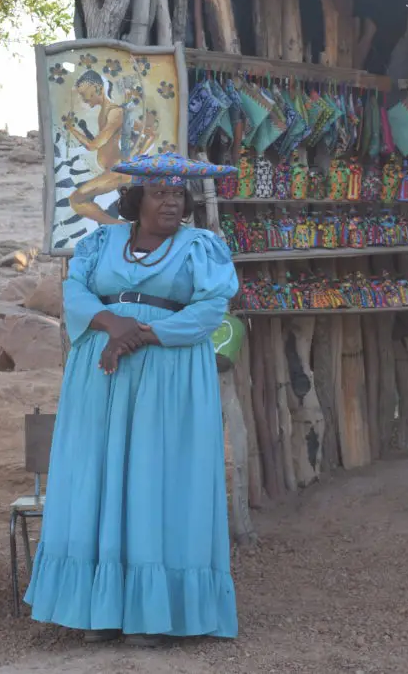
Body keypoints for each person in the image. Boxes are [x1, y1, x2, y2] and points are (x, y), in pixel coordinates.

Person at [24, 152, 240, 647]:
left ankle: (153, 613)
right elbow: (75, 292)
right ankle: (98, 611)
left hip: (169, 375)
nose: (171, 202)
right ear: (137, 198)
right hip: (102, 376)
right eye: (161, 193)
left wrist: (142, 333)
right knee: (97, 474)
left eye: (178, 195)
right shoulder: (100, 242)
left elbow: (210, 308)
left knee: (156, 478)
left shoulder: (201, 247)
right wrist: (112, 326)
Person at [63, 70, 158, 225]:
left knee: (77, 200)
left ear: (96, 88)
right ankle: (125, 227)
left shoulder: (115, 112)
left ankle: (120, 226)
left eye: (84, 93)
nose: (83, 99)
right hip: (115, 171)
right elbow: (149, 133)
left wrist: (72, 130)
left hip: (118, 172)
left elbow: (93, 145)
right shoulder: (111, 111)